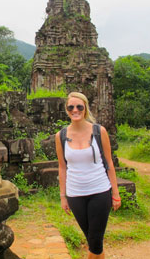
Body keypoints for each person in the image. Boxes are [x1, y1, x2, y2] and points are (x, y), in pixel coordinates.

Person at [55, 92, 121, 259]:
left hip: (99, 191)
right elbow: (62, 168)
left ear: (85, 109)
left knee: (95, 241)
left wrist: (116, 193)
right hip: (75, 194)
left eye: (79, 107)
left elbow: (109, 164)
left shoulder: (99, 132)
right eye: (71, 107)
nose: (75, 110)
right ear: (67, 110)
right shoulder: (61, 136)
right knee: (93, 240)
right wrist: (63, 196)